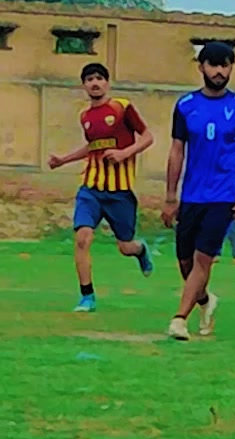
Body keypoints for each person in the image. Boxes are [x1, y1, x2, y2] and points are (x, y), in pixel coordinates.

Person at [162, 42, 235, 341]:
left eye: (225, 65)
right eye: (213, 65)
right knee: (185, 262)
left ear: (231, 68)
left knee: (203, 259)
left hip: (224, 194)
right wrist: (170, 196)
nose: (219, 71)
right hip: (192, 194)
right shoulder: (185, 105)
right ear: (201, 67)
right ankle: (205, 300)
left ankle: (179, 319)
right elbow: (177, 151)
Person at [47, 62, 155, 311]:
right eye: (89, 79)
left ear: (107, 82)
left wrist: (124, 153)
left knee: (125, 247)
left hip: (120, 192)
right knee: (82, 238)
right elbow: (92, 147)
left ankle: (140, 251)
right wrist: (63, 160)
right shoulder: (85, 116)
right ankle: (87, 296)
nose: (94, 83)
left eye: (99, 78)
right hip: (91, 189)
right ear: (83, 85)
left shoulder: (122, 107)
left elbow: (148, 136)